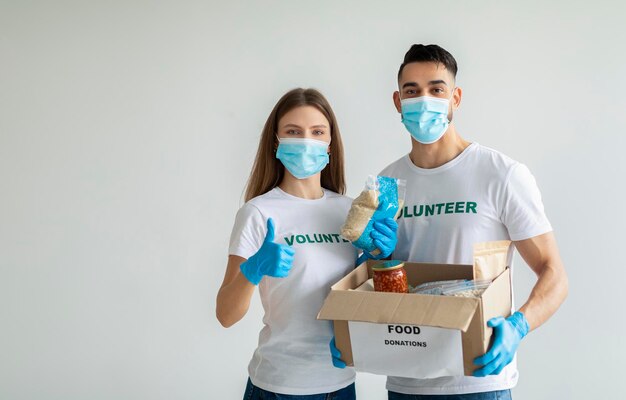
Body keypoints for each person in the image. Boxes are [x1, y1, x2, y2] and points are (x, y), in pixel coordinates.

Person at [331, 44, 568, 399]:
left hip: (477, 379)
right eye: (411, 91)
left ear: (455, 97)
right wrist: (353, 322)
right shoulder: (385, 185)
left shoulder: (499, 175)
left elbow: (555, 274)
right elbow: (377, 277)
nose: (423, 99)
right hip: (406, 380)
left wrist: (519, 326)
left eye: (436, 89)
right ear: (397, 102)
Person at [216, 88, 397, 399]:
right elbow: (225, 314)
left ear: (330, 143)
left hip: (341, 383)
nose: (306, 141)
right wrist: (253, 269)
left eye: (317, 132)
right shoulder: (259, 212)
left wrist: (379, 257)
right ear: (276, 141)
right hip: (278, 385)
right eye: (293, 131)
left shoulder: (348, 210)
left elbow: (364, 299)